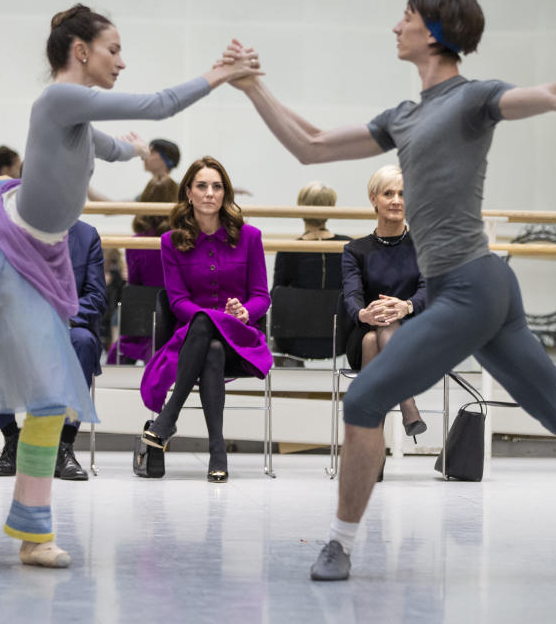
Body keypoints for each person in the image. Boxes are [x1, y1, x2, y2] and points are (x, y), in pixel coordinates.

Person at [222, 0, 556, 581]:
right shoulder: (403, 117)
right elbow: (312, 147)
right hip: (481, 289)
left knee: (365, 397)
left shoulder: (474, 99)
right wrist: (252, 88)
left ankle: (339, 545)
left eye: (405, 17)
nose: (394, 27)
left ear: (433, 30)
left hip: (470, 288)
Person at [0, 3, 261, 568]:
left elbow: (109, 147)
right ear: (80, 52)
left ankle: (33, 531)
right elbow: (158, 104)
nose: (122, 62)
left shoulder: (76, 120)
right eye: (114, 50)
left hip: (43, 253)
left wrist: (133, 150)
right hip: (10, 250)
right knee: (46, 384)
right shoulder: (60, 99)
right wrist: (219, 75)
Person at [139, 156, 272, 482]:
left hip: (240, 341)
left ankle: (168, 419)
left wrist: (245, 312)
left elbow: (262, 297)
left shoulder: (250, 237)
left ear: (225, 193)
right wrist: (214, 317)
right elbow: (177, 302)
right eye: (202, 186)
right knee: (207, 340)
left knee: (208, 331)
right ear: (188, 193)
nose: (210, 193)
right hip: (191, 341)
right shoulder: (171, 241)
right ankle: (217, 451)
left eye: (217, 186)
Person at [0, 218, 107, 481]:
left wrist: (61, 317)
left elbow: (96, 296)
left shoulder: (87, 236)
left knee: (83, 342)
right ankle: (12, 442)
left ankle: (64, 446)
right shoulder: (9, 231)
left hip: (68, 325)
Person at [341, 165, 428, 439]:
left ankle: (370, 449)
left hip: (416, 337)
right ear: (373, 199)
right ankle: (408, 404)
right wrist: (364, 314)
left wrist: (407, 306)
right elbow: (351, 295)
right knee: (372, 335)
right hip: (365, 329)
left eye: (403, 194)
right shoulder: (355, 250)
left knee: (375, 341)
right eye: (388, 193)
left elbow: (432, 290)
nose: (396, 200)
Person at [271, 181, 351, 361]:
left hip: (293, 341)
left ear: (301, 206)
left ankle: (286, 389)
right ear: (331, 207)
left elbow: (276, 296)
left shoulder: (288, 249)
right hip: (339, 340)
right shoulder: (348, 246)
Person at [106, 171, 179, 364]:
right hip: (177, 322)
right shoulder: (183, 241)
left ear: (145, 202)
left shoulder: (136, 243)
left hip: (143, 324)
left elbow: (135, 288)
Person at [88, 137, 179, 202]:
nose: (144, 157)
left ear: (167, 159)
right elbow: (112, 208)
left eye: (152, 152)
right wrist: (84, 184)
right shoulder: (148, 193)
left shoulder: (182, 191)